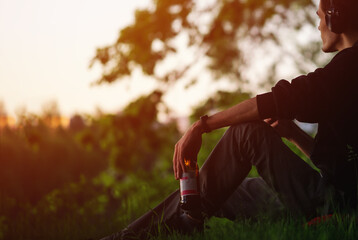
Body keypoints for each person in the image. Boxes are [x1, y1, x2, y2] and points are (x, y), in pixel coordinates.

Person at [100, 0, 358, 239]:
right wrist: (292, 134)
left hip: (337, 205)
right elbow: (341, 170)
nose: (319, 25)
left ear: (337, 17)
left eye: (321, 17)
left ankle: (167, 226)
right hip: (334, 195)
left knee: (245, 132)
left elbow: (276, 101)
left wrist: (201, 126)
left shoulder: (347, 68)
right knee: (224, 187)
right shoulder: (345, 72)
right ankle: (157, 228)